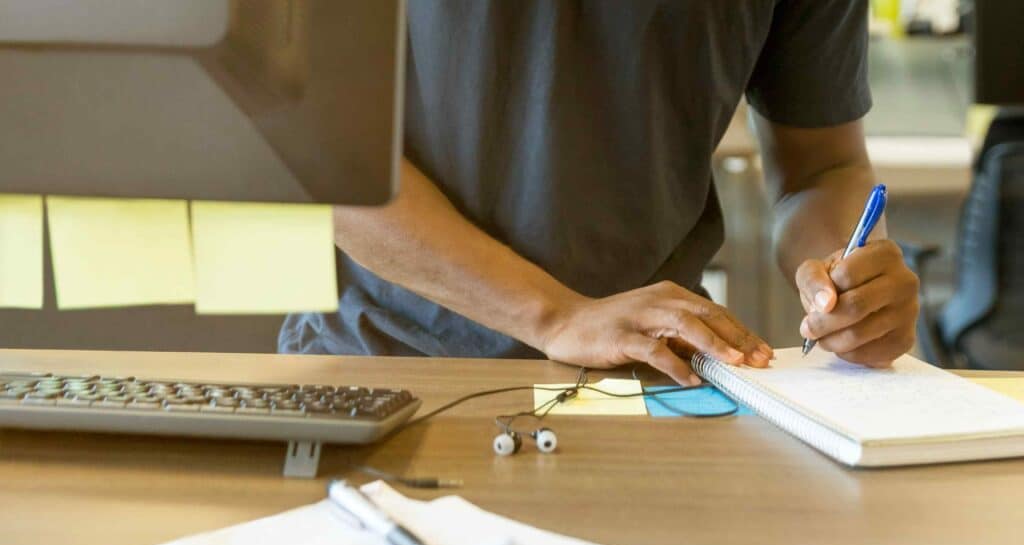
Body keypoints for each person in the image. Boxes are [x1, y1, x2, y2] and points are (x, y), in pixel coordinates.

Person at [279, 0, 920, 385]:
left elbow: (821, 169)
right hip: (387, 365)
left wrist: (850, 282)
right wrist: (552, 314)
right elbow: (319, 147)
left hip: (653, 380)